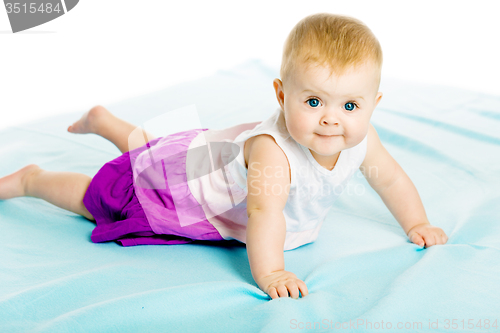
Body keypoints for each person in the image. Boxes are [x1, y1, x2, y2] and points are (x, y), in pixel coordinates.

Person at [0, 13, 448, 300]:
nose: (331, 120)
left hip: (207, 159)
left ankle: (108, 122)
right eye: (313, 102)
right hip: (186, 194)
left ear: (373, 103)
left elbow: (390, 179)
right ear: (280, 94)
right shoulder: (275, 155)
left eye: (350, 106)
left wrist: (416, 223)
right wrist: (271, 273)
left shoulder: (363, 139)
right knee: (104, 196)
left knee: (157, 155)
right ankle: (31, 180)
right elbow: (264, 213)